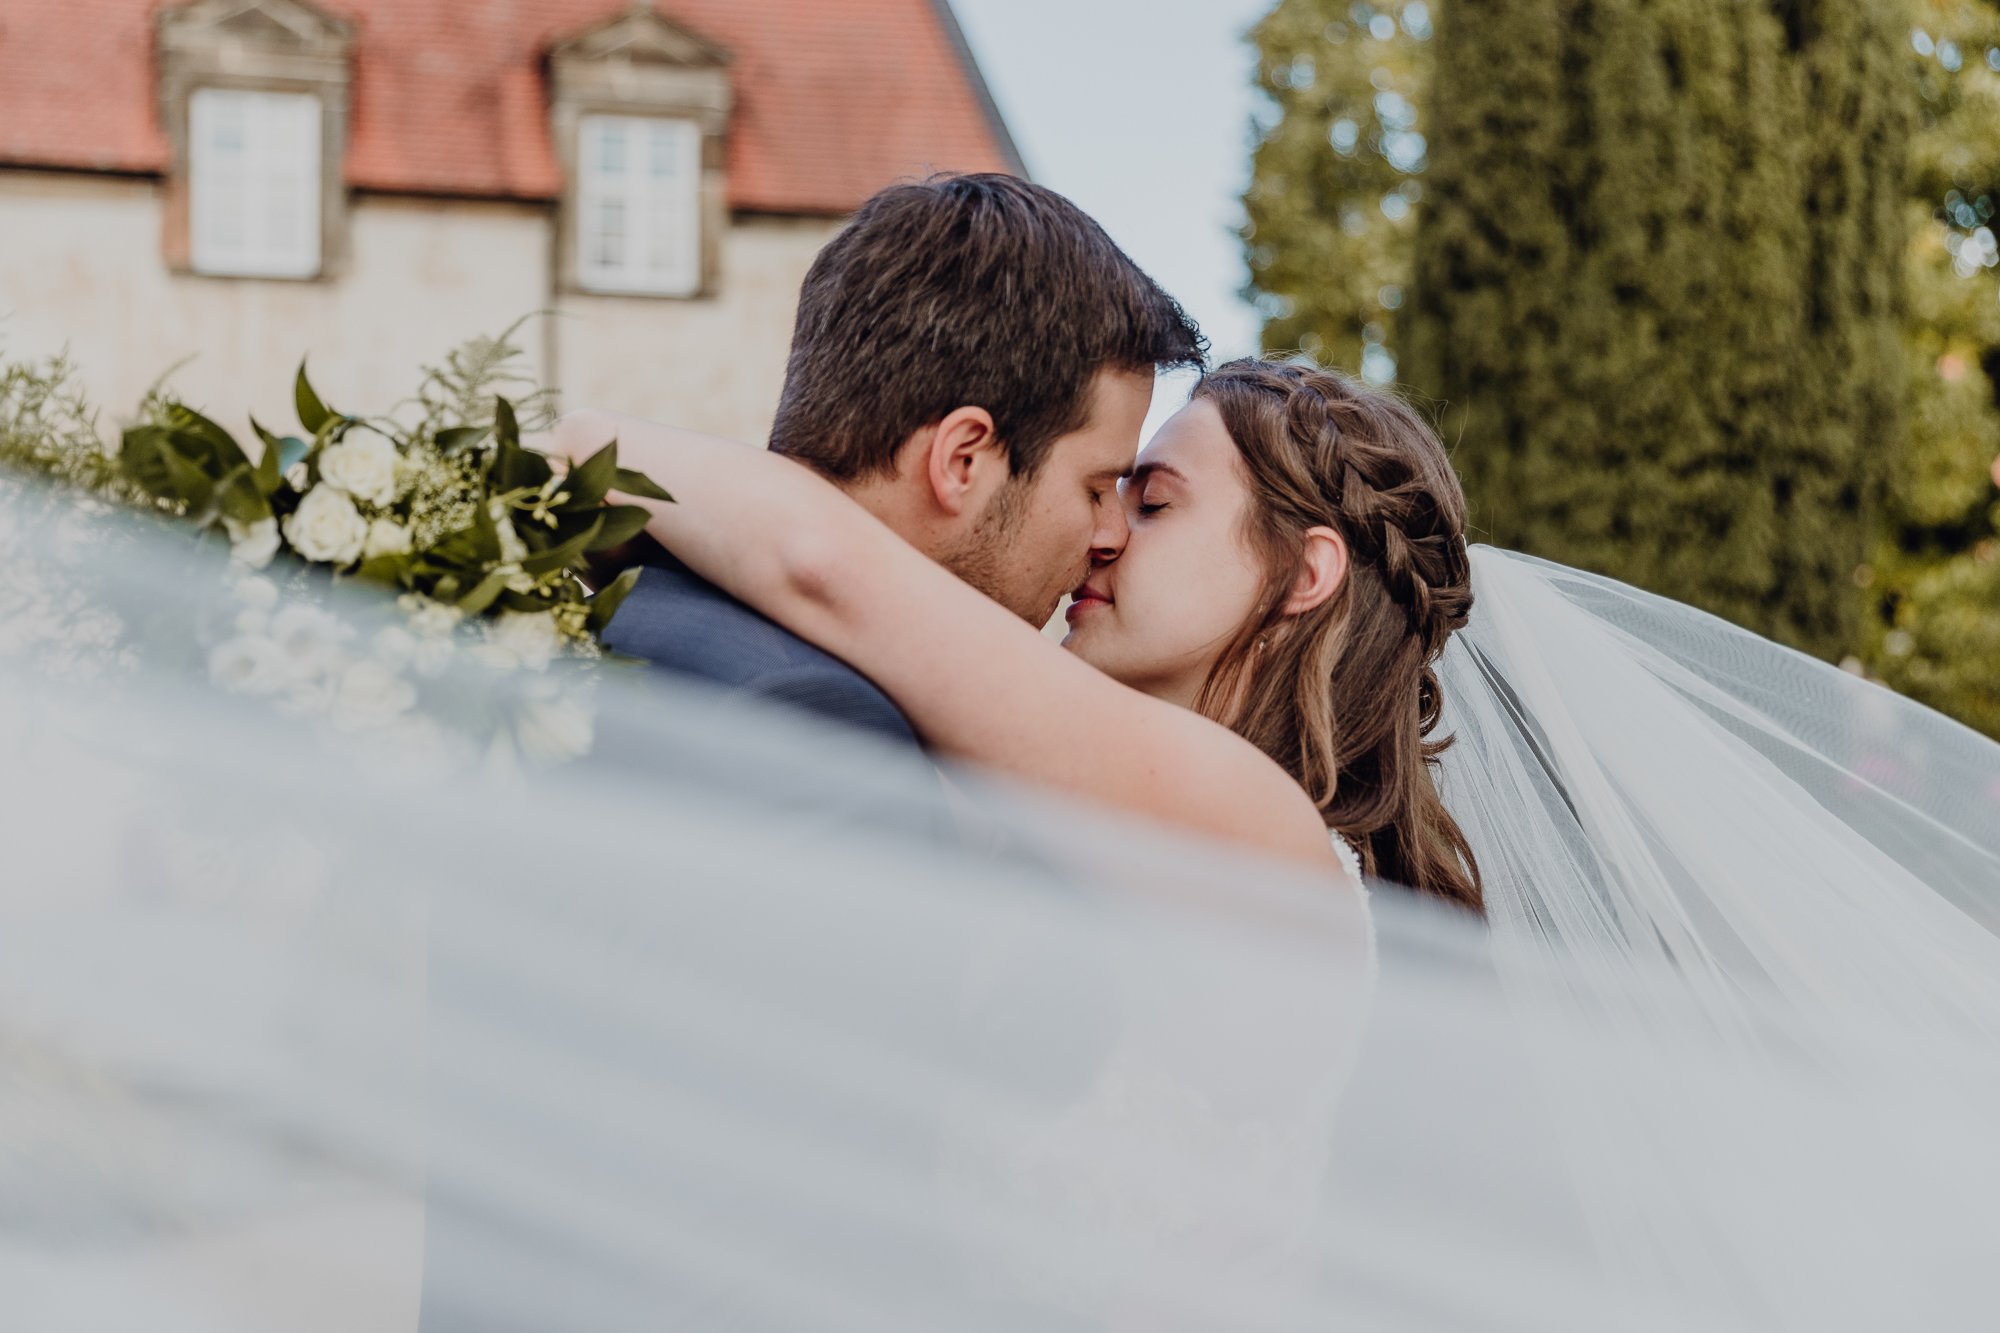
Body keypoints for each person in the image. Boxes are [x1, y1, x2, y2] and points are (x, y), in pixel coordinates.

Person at [555, 358, 1481, 901]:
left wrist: (573, 444)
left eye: (1153, 503)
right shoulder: (1078, 810)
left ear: (1303, 574)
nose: (1105, 533)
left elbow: (822, 565)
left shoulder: (1263, 839)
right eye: (1104, 492)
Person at [599, 172, 1205, 750]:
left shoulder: (633, 599)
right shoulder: (825, 722)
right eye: (1097, 489)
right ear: (961, 461)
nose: (1112, 535)